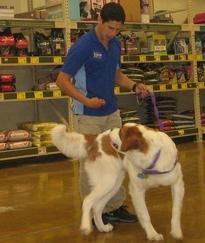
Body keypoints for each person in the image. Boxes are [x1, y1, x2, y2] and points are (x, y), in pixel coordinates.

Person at [56, 2, 149, 225]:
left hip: (111, 112)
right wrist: (87, 100)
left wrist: (135, 85)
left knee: (117, 161)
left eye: (117, 29)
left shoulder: (115, 44)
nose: (113, 33)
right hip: (87, 115)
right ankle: (95, 210)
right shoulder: (84, 46)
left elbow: (116, 75)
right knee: (93, 165)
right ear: (99, 21)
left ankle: (114, 207)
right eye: (110, 28)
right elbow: (62, 81)